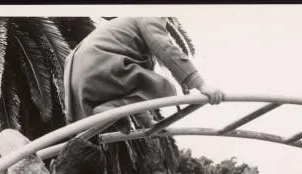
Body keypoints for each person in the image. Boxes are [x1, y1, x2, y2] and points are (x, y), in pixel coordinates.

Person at [64, 17, 224, 133]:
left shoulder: (124, 30)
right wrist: (201, 84)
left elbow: (135, 91)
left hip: (76, 77)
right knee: (166, 89)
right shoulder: (149, 15)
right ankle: (114, 111)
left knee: (140, 86)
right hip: (100, 64)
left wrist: (147, 122)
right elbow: (165, 48)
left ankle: (117, 116)